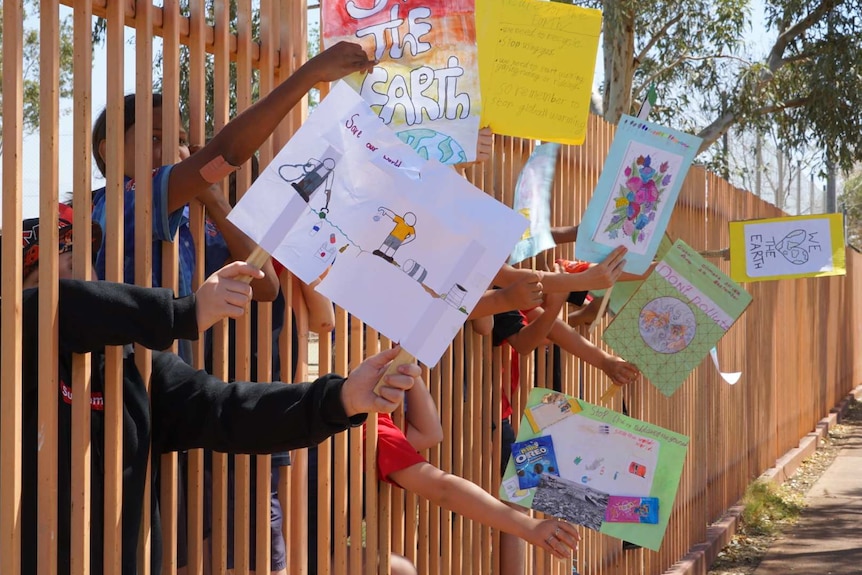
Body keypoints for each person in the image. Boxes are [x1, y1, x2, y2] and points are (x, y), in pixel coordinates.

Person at [3, 212, 420, 575]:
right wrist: (185, 312)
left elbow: (231, 409)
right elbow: (54, 310)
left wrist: (342, 398)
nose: (74, 284)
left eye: (84, 269)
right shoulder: (12, 352)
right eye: (48, 278)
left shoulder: (133, 367)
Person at [308, 375, 580, 574]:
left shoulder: (348, 415)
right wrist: (530, 527)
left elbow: (430, 433)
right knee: (399, 571)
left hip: (309, 546)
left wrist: (409, 370)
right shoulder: (369, 426)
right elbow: (442, 489)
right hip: (301, 552)